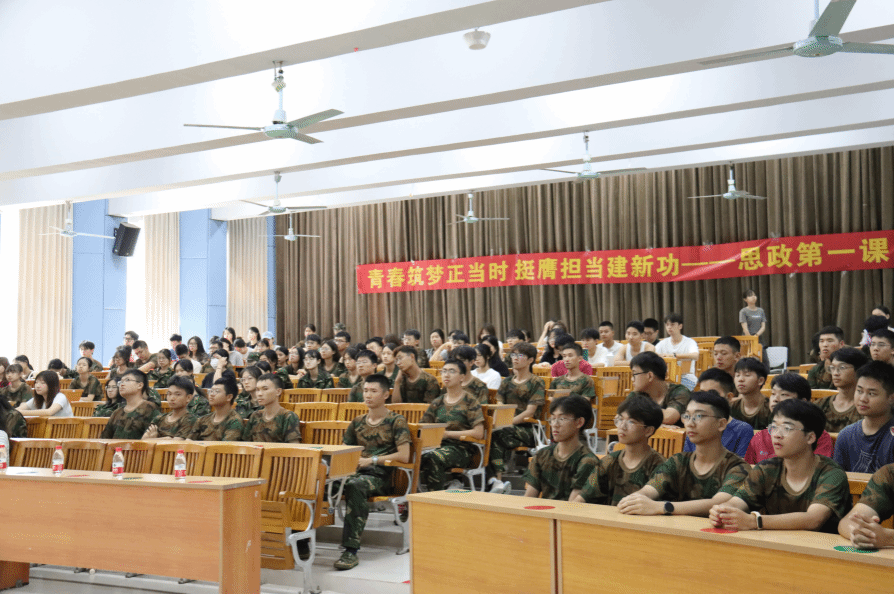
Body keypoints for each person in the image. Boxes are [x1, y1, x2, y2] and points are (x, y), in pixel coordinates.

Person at [710, 398, 851, 533]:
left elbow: (813, 519)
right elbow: (738, 502)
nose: (777, 435)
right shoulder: (765, 469)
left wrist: (755, 521)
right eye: (774, 427)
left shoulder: (832, 474)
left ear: (810, 437)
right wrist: (722, 511)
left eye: (787, 428)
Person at [617, 391, 750, 517]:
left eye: (699, 416)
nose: (690, 424)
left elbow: (719, 503)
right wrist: (635, 500)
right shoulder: (677, 461)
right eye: (687, 416)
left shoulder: (738, 467)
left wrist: (663, 507)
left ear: (721, 424)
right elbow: (651, 489)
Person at [334, 374, 412, 571]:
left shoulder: (396, 421)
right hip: (355, 473)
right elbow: (344, 450)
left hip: (382, 476)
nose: (368, 395)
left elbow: (404, 455)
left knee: (355, 485)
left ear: (385, 395)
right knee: (317, 481)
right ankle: (303, 541)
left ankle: (350, 550)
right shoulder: (357, 421)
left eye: (373, 391)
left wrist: (372, 460)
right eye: (366, 391)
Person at [574, 395, 665, 505]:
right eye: (620, 419)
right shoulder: (608, 462)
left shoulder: (660, 465)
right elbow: (583, 499)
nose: (622, 426)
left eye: (631, 422)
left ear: (648, 431)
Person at [488, 342, 546, 493]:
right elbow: (500, 405)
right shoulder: (506, 382)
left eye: (520, 355)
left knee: (498, 433)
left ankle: (497, 479)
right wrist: (496, 422)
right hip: (507, 427)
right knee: (489, 432)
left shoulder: (536, 382)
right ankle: (496, 481)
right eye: (513, 354)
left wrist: (506, 423)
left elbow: (530, 412)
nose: (515, 358)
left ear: (530, 360)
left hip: (528, 429)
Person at [420, 360, 486, 491]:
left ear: (462, 377)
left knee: (432, 457)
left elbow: (479, 432)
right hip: (437, 446)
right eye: (444, 371)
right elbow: (422, 426)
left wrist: (447, 434)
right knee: (413, 454)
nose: (446, 375)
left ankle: (435, 497)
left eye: (451, 371)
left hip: (462, 449)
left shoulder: (470, 401)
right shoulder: (438, 402)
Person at [746, 373, 833, 463]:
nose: (775, 399)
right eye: (773, 393)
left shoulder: (817, 436)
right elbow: (750, 469)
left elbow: (816, 467)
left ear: (803, 402)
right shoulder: (760, 437)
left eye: (784, 394)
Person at [523, 395, 597, 501]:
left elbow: (572, 506)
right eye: (553, 419)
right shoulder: (542, 455)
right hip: (542, 510)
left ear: (579, 422)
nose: (555, 425)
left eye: (562, 419)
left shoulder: (588, 461)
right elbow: (528, 499)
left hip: (566, 511)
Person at [834, 361, 894, 473]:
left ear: (891, 398)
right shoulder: (846, 435)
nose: (862, 399)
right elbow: (838, 479)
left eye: (871, 393)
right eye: (859, 391)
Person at [683, 369, 754, 457]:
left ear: (729, 398)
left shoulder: (742, 430)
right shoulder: (694, 426)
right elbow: (687, 461)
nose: (705, 400)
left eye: (712, 394)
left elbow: (741, 464)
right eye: (702, 394)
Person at [625, 352, 691, 426]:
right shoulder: (636, 394)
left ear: (650, 376)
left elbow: (669, 418)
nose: (632, 379)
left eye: (634, 374)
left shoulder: (680, 391)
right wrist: (659, 425)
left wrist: (637, 412)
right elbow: (622, 416)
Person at [838, 463, 894, 549]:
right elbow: (848, 521)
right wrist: (862, 532)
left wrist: (888, 537)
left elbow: (886, 537)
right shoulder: (889, 473)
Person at [814, 347, 869, 433]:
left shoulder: (866, 407)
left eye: (842, 367)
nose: (835, 373)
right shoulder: (820, 404)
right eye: (832, 368)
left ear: (859, 370)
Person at [242, 374, 302, 443]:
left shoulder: (288, 416)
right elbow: (245, 444)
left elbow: (293, 446)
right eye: (257, 390)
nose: (259, 394)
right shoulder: (255, 416)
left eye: (265, 389)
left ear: (278, 391)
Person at [100, 370, 160, 438]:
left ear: (140, 385)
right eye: (120, 382)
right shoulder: (117, 412)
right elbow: (105, 438)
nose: (122, 384)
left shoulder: (150, 408)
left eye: (127, 380)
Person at [655, 313, 699, 388]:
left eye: (672, 324)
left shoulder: (689, 342)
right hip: (667, 378)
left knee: (674, 390)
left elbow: (695, 356)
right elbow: (652, 356)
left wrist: (674, 356)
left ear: (680, 326)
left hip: (686, 377)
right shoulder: (663, 343)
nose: (669, 327)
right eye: (667, 325)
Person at [730, 358, 771, 430]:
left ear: (760, 381)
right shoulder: (732, 407)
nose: (740, 379)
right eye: (737, 375)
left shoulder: (770, 408)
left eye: (747, 375)